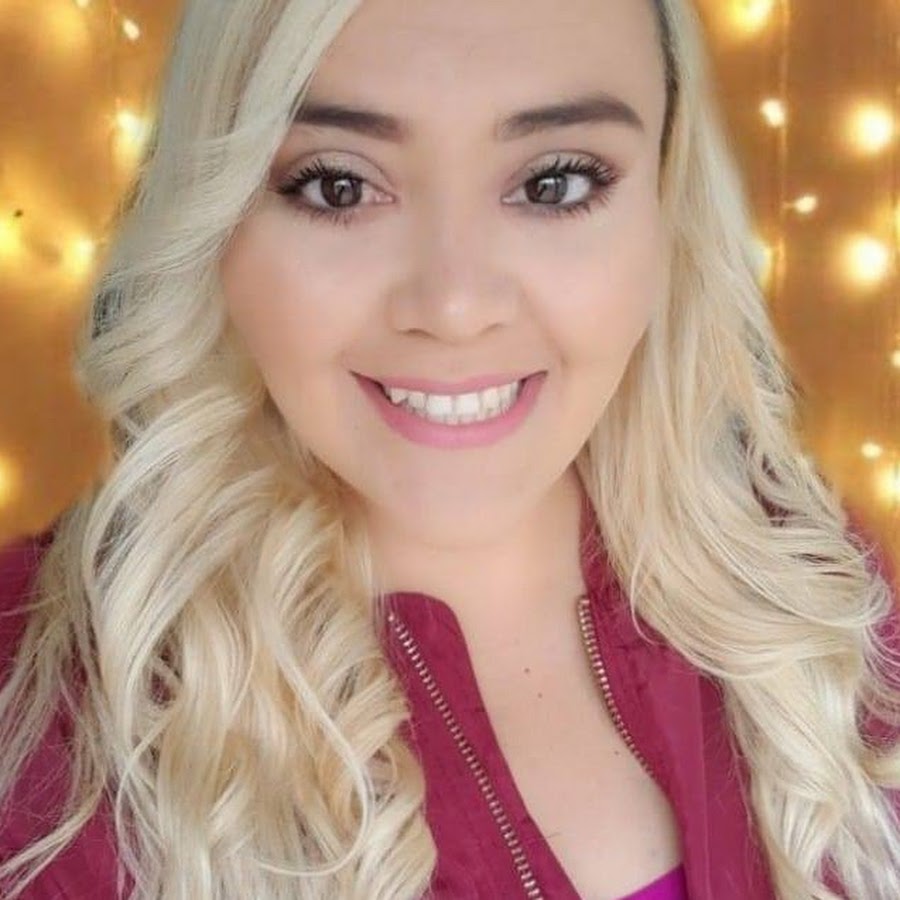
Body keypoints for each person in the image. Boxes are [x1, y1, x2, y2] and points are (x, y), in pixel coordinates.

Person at [1, 0, 899, 897]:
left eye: (554, 183)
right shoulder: (35, 718)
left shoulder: (810, 596)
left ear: (667, 209)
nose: (455, 306)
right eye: (338, 186)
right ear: (218, 220)